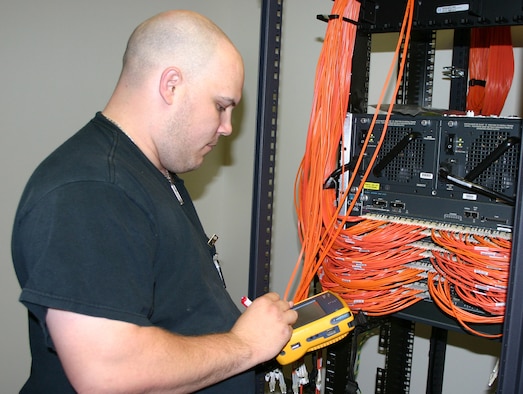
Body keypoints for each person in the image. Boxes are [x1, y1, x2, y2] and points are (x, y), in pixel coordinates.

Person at [11, 10, 297, 394]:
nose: (228, 127)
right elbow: (108, 374)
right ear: (172, 85)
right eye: (220, 105)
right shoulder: (93, 189)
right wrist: (245, 345)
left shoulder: (152, 175)